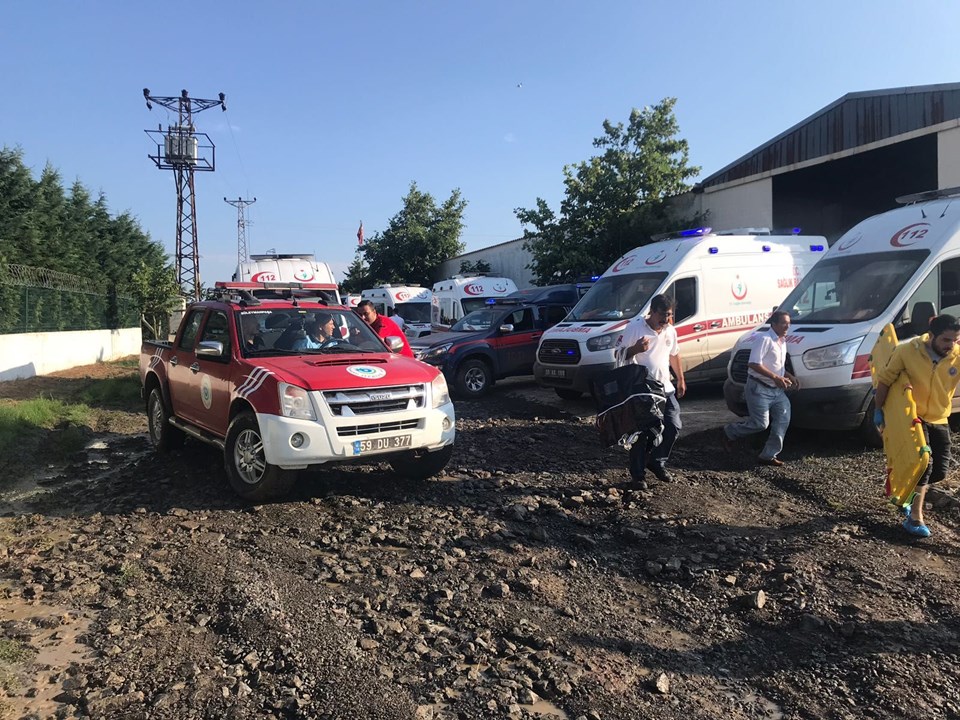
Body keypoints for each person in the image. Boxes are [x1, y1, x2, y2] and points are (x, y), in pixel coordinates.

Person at [874, 313, 960, 538]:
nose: (951, 345)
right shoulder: (907, 351)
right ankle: (914, 518)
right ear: (931, 336)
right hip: (912, 416)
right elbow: (885, 380)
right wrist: (878, 410)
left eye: (955, 340)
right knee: (924, 464)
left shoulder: (957, 356)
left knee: (939, 471)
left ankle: (909, 490)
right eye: (946, 340)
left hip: (939, 417)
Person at [615, 293, 685, 483]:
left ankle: (657, 461)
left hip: (665, 386)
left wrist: (680, 378)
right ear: (652, 312)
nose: (666, 319)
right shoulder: (635, 327)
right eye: (662, 314)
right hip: (643, 388)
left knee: (673, 426)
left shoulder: (670, 330)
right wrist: (636, 349)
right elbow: (618, 353)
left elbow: (674, 354)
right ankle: (638, 476)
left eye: (669, 315)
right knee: (644, 432)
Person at [722, 310, 796, 466]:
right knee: (760, 424)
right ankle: (730, 432)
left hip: (776, 390)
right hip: (759, 388)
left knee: (783, 419)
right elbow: (753, 363)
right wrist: (776, 378)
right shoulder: (764, 339)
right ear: (773, 324)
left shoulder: (782, 341)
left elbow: (777, 366)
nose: (787, 326)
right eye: (784, 323)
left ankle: (768, 455)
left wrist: (788, 376)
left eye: (789, 323)